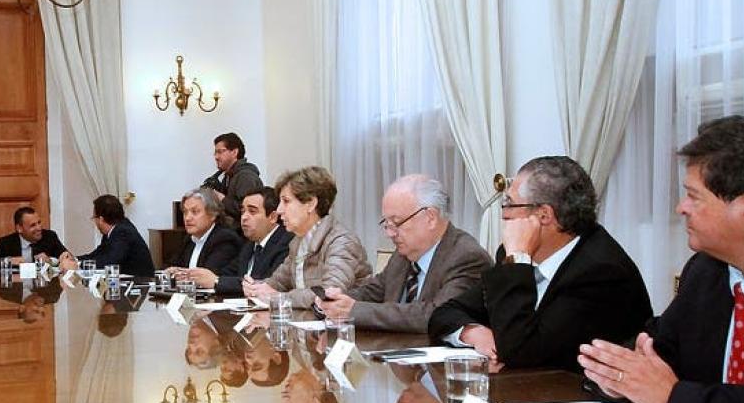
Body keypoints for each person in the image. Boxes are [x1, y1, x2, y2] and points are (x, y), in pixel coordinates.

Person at [578, 117, 744, 403]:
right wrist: (619, 377)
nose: (681, 208)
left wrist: (675, 398)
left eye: (693, 196)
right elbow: (661, 349)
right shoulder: (705, 271)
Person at [428, 156, 652, 370]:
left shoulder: (601, 272)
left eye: (510, 204)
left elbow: (520, 353)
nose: (504, 215)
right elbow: (445, 313)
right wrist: (473, 332)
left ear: (544, 215)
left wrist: (518, 259)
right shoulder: (513, 254)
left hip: (575, 391)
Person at [318, 175, 492, 331]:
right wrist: (334, 302)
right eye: (386, 224)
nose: (390, 233)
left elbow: (438, 315)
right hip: (393, 352)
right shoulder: (403, 254)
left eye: (397, 223)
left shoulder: (467, 257)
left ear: (430, 218)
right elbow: (373, 292)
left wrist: (354, 310)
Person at [242, 166, 372, 310]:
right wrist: (257, 288)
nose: (279, 210)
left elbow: (328, 293)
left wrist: (279, 297)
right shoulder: (297, 242)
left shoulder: (341, 242)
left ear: (310, 204)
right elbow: (277, 283)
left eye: (286, 201)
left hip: (349, 323)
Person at [181, 186, 292, 296]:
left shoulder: (286, 243)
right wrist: (196, 276)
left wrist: (216, 281)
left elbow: (264, 282)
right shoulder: (249, 245)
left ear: (272, 217)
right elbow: (228, 274)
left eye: (252, 211)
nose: (244, 217)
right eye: (243, 211)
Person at [58, 194, 155, 277]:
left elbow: (109, 261)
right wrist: (74, 259)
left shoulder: (123, 231)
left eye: (94, 218)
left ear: (101, 219)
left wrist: (77, 265)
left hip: (138, 284)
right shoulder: (113, 230)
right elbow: (98, 254)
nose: (95, 222)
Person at [164, 188, 243, 276]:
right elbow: (171, 265)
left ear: (212, 214)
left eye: (195, 212)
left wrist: (180, 272)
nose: (187, 218)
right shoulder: (189, 239)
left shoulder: (225, 239)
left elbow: (207, 275)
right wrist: (170, 271)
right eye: (185, 212)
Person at [201, 131, 263, 230]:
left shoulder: (245, 176)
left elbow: (247, 210)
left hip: (243, 235)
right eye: (215, 153)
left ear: (234, 152)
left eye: (220, 152)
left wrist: (221, 199)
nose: (216, 157)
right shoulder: (228, 176)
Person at [0, 206, 69, 272]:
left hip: (44, 287)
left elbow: (67, 258)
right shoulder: (6, 243)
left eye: (39, 223)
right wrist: (9, 261)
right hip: (17, 287)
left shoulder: (49, 237)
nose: (39, 228)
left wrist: (50, 261)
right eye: (33, 225)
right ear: (19, 228)